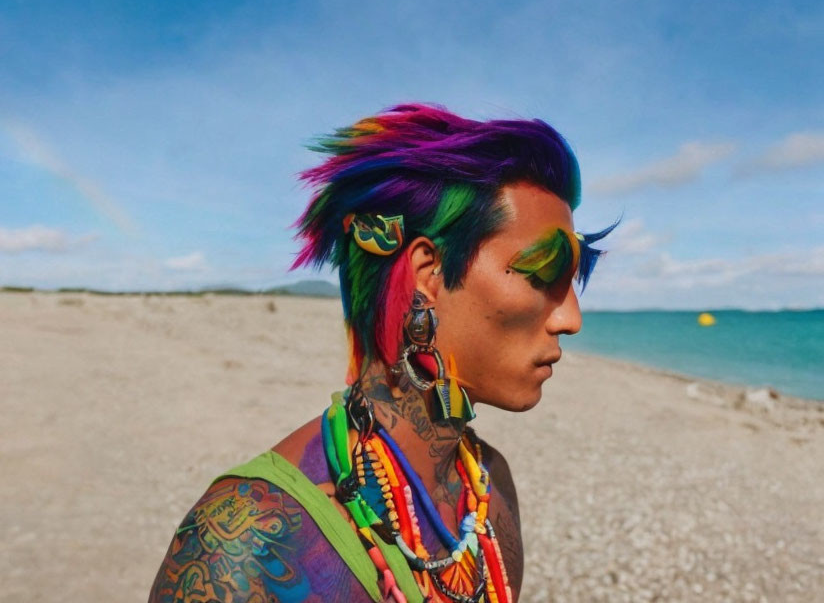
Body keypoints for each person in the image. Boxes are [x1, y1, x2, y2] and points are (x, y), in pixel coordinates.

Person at [149, 103, 614, 603]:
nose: (570, 318)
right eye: (543, 274)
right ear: (426, 276)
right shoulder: (241, 546)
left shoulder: (489, 486)